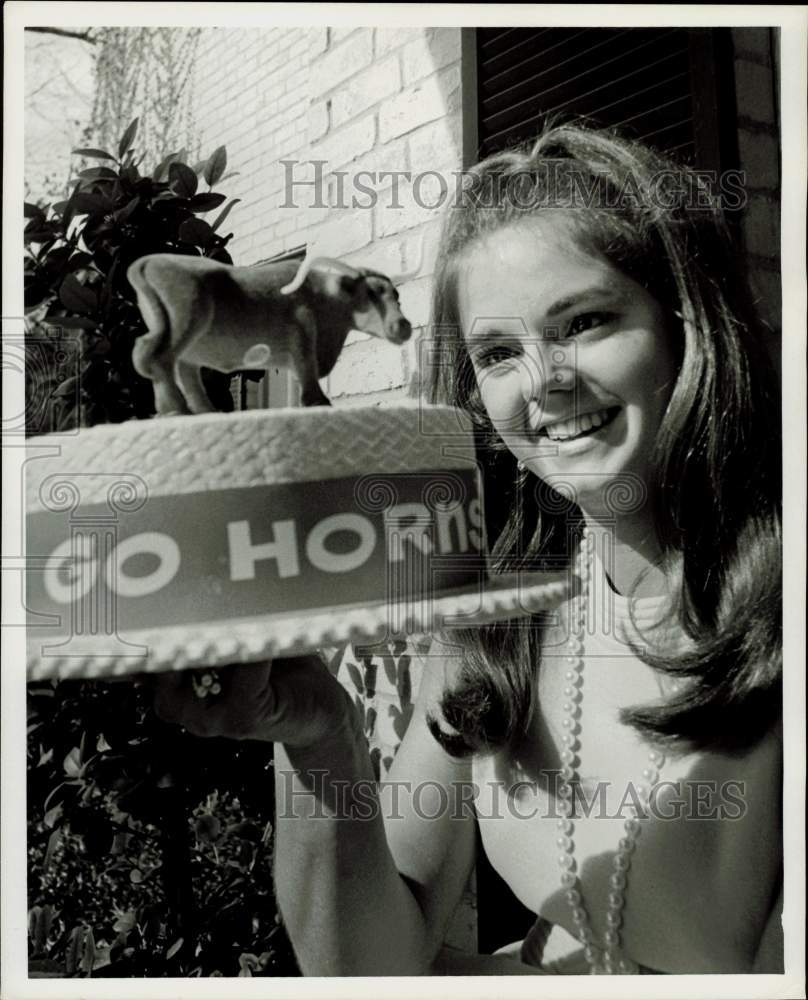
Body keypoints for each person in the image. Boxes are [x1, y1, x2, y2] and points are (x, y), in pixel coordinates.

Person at [154, 123, 783, 975]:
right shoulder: (499, 624)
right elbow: (368, 968)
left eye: (586, 321)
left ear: (688, 324)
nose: (543, 382)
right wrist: (319, 738)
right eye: (497, 352)